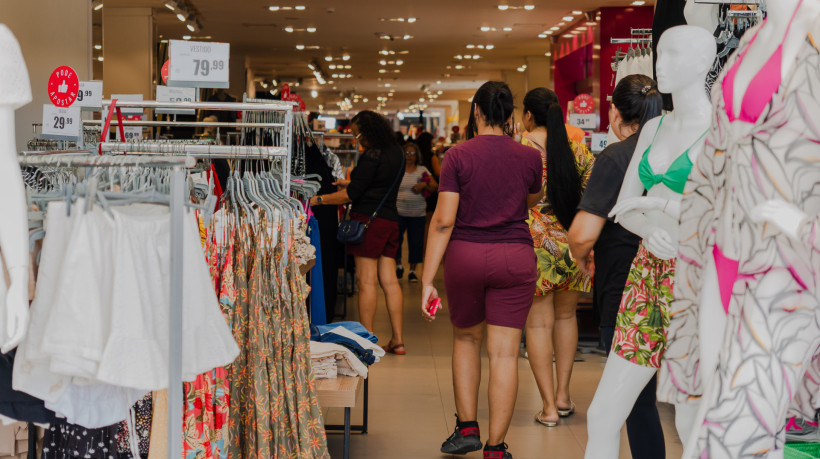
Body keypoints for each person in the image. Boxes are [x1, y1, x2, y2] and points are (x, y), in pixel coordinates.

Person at [421, 81, 543, 459]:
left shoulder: (458, 156)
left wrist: (427, 279)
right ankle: (495, 448)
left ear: (476, 113)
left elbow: (443, 220)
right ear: (510, 116)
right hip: (514, 256)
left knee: (466, 341)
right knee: (505, 354)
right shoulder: (529, 156)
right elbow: (534, 197)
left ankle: (467, 428)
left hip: (467, 255)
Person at [568, 75, 665, 458]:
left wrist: (579, 261)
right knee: (648, 402)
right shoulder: (667, 150)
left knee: (629, 405)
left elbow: (581, 235)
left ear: (616, 112)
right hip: (672, 285)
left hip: (626, 290)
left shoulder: (616, 157)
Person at [519, 87, 595, 427]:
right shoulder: (577, 150)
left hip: (532, 246)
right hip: (574, 244)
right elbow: (594, 198)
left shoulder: (519, 150)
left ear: (529, 115)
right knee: (567, 320)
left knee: (538, 324)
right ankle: (564, 396)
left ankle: (548, 407)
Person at [309, 110, 407, 355]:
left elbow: (350, 195)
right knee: (390, 281)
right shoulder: (397, 152)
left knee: (366, 282)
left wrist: (317, 200)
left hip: (368, 223)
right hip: (390, 221)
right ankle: (398, 340)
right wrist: (349, 184)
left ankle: (366, 341)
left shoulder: (372, 154)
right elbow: (374, 184)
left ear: (368, 131)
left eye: (357, 134)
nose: (356, 139)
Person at [395, 142, 437, 282]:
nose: (409, 156)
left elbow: (435, 186)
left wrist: (424, 184)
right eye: (407, 153)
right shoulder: (398, 169)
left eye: (412, 153)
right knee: (396, 241)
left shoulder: (422, 170)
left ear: (417, 155)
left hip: (417, 214)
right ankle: (399, 266)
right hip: (398, 213)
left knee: (416, 243)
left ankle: (412, 271)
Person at [416, 132, 442, 254]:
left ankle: (419, 248)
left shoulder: (416, 156)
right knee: (429, 223)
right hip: (430, 191)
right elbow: (438, 173)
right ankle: (426, 249)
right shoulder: (432, 156)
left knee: (419, 223)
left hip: (417, 191)